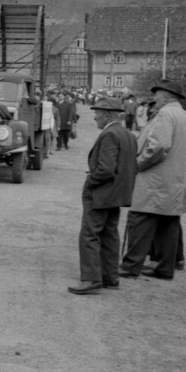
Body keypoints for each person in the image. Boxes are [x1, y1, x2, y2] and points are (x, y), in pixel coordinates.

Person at [120, 79, 186, 281]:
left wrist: (137, 164)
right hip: (175, 181)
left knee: (139, 219)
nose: (154, 99)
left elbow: (159, 146)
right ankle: (165, 268)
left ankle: (130, 266)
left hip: (155, 181)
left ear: (165, 96)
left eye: (156, 95)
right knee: (168, 224)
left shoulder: (165, 114)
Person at [68, 97, 138, 294]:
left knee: (90, 234)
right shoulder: (128, 135)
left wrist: (91, 182)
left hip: (101, 193)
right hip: (117, 194)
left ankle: (91, 279)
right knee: (109, 234)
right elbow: (133, 166)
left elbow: (105, 169)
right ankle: (110, 277)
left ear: (107, 114)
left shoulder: (109, 134)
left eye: (97, 113)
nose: (95, 117)